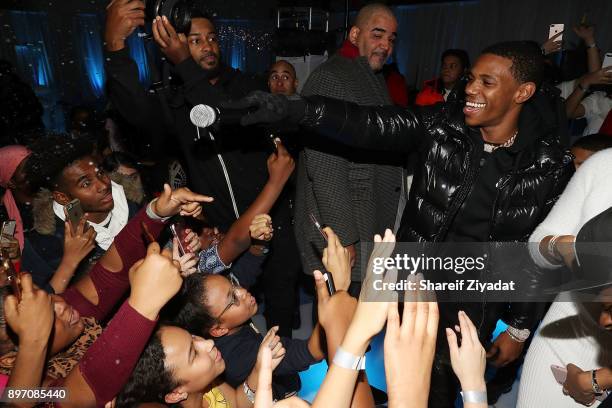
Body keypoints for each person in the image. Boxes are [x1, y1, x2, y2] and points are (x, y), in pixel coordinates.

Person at [230, 40, 575, 407]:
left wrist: (520, 327)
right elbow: (369, 123)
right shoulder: (444, 126)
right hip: (415, 283)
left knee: (441, 387)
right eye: (472, 79)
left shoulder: (549, 165)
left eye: (487, 83)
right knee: (402, 376)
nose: (471, 89)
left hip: (474, 300)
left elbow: (540, 253)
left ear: (522, 91)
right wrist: (297, 110)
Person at [105, 1, 299, 336]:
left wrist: (183, 61)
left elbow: (219, 113)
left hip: (273, 218)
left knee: (281, 305)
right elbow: (136, 111)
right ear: (173, 45)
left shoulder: (244, 86)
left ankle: (283, 377)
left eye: (211, 38)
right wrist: (114, 47)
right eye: (194, 41)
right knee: (229, 317)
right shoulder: (176, 100)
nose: (207, 46)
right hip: (225, 230)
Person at [1, 185, 211, 407]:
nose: (61, 304)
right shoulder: (27, 392)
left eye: (49, 297)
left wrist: (156, 212)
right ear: (12, 358)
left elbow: (109, 274)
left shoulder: (69, 315)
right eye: (46, 317)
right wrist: (145, 300)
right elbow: (74, 395)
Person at [294, 3, 405, 293]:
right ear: (355, 35)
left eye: (391, 39)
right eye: (377, 35)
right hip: (346, 228)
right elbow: (325, 167)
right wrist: (345, 238)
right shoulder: (331, 79)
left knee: (356, 322)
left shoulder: (370, 75)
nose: (385, 45)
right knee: (341, 324)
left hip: (365, 220)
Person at [519, 147, 612, 408]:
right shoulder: (604, 164)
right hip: (563, 348)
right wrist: (559, 246)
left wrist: (599, 380)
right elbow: (539, 241)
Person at [23, 136, 141, 292]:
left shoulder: (134, 200)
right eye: (86, 183)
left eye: (100, 173)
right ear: (62, 197)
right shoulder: (45, 244)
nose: (103, 185)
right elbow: (42, 307)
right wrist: (70, 263)